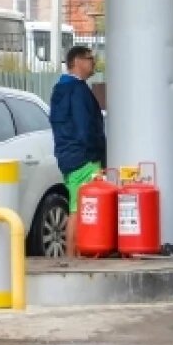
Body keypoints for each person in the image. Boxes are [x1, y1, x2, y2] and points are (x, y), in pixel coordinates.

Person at [49, 45, 106, 257]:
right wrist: (96, 154)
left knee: (77, 206)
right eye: (89, 58)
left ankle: (74, 255)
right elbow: (85, 127)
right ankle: (74, 257)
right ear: (77, 62)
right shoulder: (79, 90)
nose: (93, 62)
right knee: (80, 209)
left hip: (67, 156)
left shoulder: (60, 90)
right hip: (84, 158)